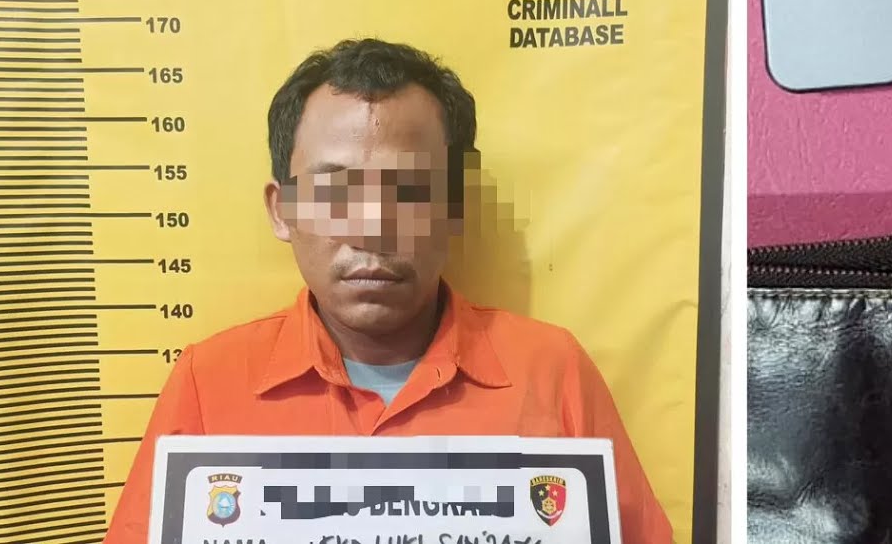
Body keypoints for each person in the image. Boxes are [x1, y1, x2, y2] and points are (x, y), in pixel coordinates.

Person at [102, 38, 673, 543]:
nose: (373, 225)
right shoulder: (209, 382)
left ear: (455, 208)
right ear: (281, 210)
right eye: (333, 190)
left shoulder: (552, 370)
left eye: (410, 190)